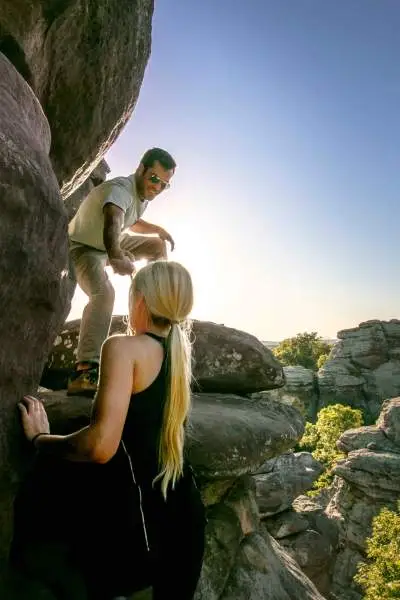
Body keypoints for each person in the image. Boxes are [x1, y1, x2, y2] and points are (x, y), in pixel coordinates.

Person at [14, 260, 206, 600]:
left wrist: (40, 439)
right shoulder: (179, 355)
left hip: (141, 530)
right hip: (184, 520)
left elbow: (100, 446)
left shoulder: (123, 348)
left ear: (141, 301)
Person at [67, 147, 177, 397]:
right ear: (141, 169)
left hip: (113, 241)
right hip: (84, 248)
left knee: (156, 247)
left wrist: (157, 229)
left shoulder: (142, 196)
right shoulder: (121, 189)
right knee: (103, 293)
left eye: (164, 185)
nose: (157, 188)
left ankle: (155, 310)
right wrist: (116, 256)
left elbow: (131, 220)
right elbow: (113, 219)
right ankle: (84, 371)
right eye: (154, 179)